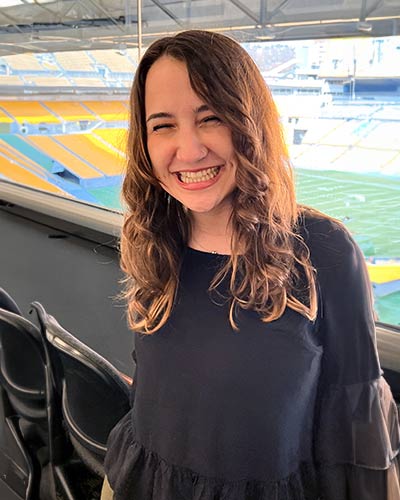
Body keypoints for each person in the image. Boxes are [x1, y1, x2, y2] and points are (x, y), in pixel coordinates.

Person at [102, 30, 400, 500]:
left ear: (249, 122)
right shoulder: (154, 236)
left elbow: (359, 429)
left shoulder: (324, 251)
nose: (189, 149)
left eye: (211, 118)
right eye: (163, 125)